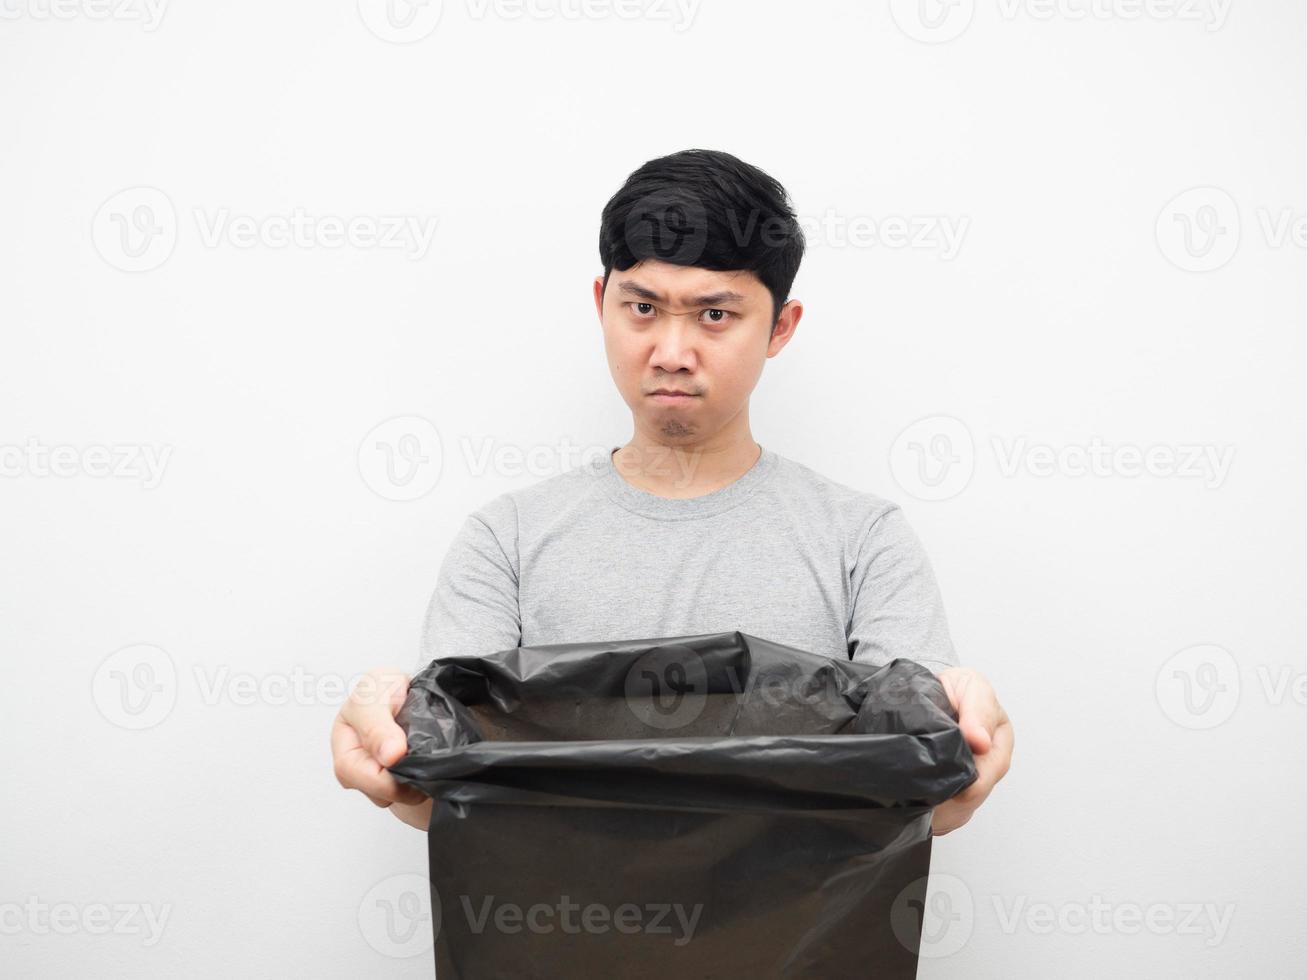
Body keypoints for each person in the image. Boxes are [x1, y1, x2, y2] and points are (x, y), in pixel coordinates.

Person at [330, 148, 1013, 835]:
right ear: (602, 305)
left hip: (798, 937)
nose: (671, 351)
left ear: (780, 326)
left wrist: (969, 750)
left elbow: (925, 789)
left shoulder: (862, 539)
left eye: (714, 315)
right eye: (643, 307)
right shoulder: (506, 537)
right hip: (554, 930)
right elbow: (442, 793)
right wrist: (385, 742)